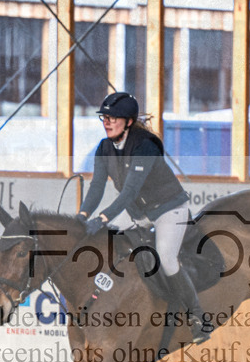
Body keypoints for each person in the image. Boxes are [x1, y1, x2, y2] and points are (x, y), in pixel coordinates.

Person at [77, 92, 212, 344]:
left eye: (113, 118)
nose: (106, 122)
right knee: (119, 252)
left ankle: (197, 318)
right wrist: (82, 216)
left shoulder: (145, 146)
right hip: (140, 216)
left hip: (169, 210)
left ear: (128, 122)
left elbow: (130, 192)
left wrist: (103, 218)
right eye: (104, 117)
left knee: (166, 257)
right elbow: (96, 187)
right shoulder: (104, 148)